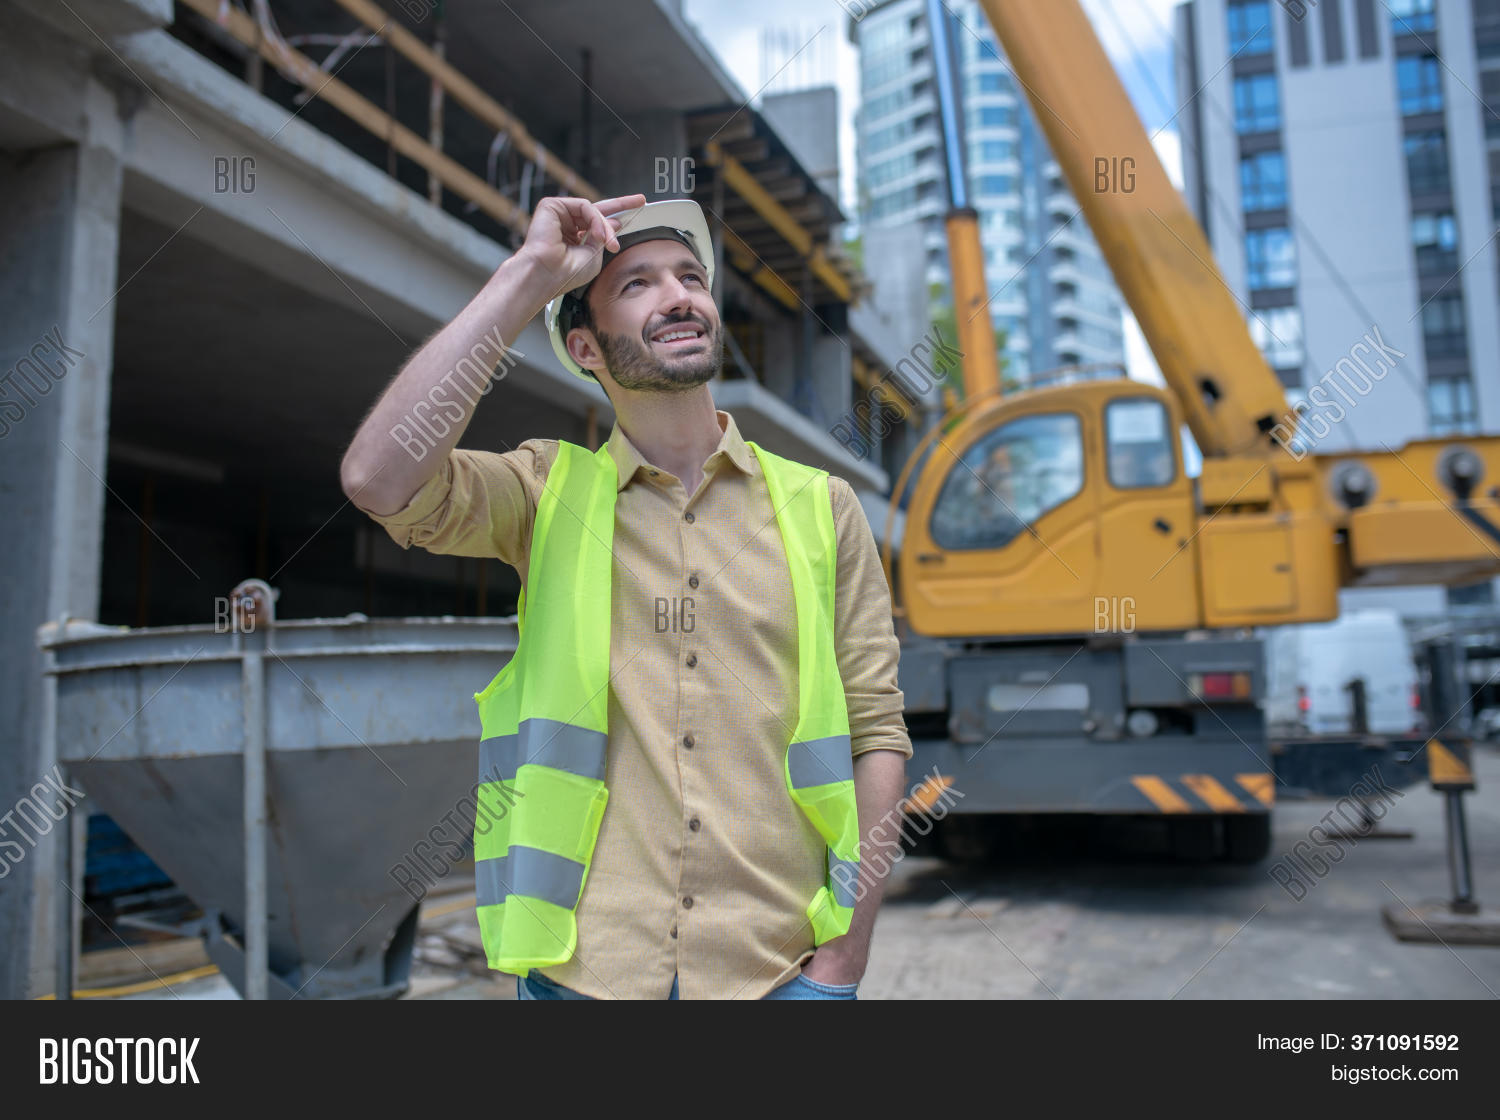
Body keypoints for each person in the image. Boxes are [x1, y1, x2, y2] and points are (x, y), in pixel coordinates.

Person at [340, 193, 911, 1000]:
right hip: (583, 976)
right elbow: (377, 479)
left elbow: (875, 733)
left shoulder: (823, 507)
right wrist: (527, 275)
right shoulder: (545, 492)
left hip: (776, 974)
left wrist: (842, 962)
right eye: (637, 284)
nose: (680, 294)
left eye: (690, 277)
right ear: (585, 345)